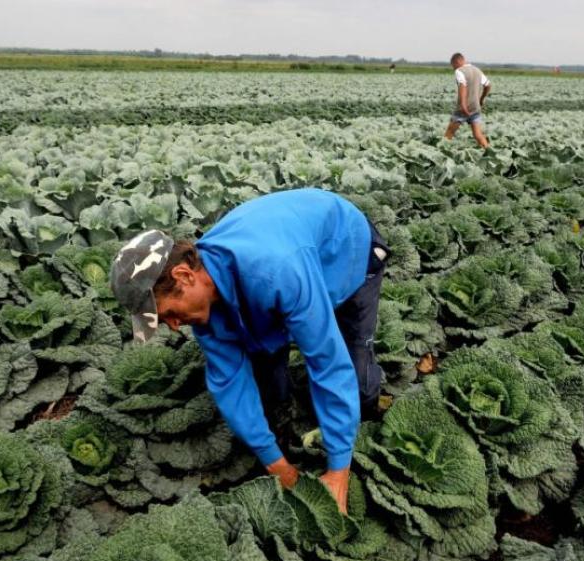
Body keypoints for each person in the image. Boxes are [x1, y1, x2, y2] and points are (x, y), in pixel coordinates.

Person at [109, 188, 389, 514]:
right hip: (289, 254)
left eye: (167, 312)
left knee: (353, 367)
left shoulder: (275, 271)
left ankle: (360, 432)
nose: (172, 325)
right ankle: (284, 425)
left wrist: (338, 471)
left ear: (184, 276)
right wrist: (277, 465)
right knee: (266, 371)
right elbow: (230, 382)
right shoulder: (206, 298)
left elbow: (327, 362)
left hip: (344, 248)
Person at [445, 52, 491, 148]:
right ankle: (489, 152)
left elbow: (463, 86)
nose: (453, 68)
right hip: (476, 107)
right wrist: (481, 99)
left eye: (453, 65)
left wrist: (463, 105)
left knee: (449, 132)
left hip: (464, 109)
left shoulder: (459, 71)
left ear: (457, 61)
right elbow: (488, 85)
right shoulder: (477, 70)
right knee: (478, 135)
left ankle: (441, 151)